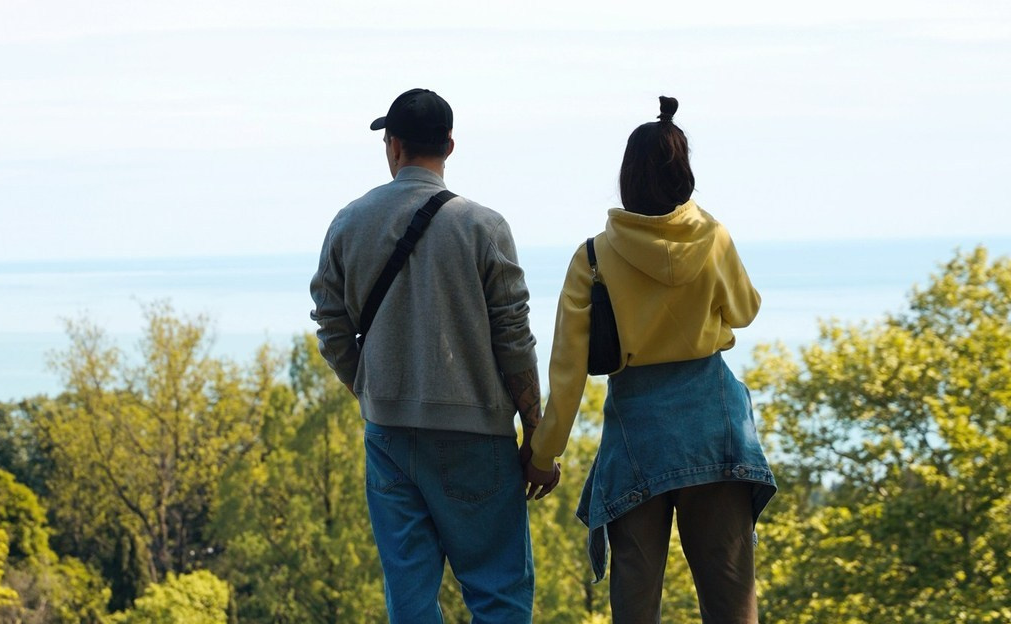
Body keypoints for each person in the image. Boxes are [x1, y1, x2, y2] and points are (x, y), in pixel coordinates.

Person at [309, 88, 558, 624]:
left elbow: (330, 325)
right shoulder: (482, 226)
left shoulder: (349, 222)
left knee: (412, 599)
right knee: (497, 594)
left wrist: (370, 386)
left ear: (392, 146)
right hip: (477, 437)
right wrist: (537, 430)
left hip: (390, 436)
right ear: (449, 144)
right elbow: (514, 336)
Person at [525, 97, 775, 624]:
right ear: (686, 173)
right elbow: (746, 311)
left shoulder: (593, 257)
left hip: (637, 436)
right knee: (732, 602)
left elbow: (568, 374)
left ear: (627, 177)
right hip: (715, 427)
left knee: (635, 608)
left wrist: (544, 454)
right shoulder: (714, 238)